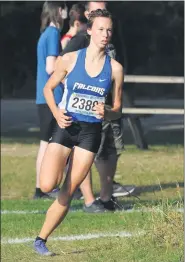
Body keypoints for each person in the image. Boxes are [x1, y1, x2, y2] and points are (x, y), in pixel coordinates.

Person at [33, 9, 124, 256]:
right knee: (46, 183)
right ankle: (59, 167)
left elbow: (117, 109)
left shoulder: (115, 68)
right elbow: (48, 89)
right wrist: (56, 113)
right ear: (90, 31)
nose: (105, 34)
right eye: (101, 29)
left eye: (109, 30)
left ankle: (41, 240)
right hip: (66, 126)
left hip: (89, 134)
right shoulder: (70, 59)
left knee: (68, 191)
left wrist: (106, 111)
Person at [61, 1, 135, 213]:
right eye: (96, 9)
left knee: (110, 152)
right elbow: (61, 66)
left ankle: (105, 197)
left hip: (109, 108)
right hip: (83, 114)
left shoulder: (109, 37)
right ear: (87, 15)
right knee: (83, 154)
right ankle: (89, 200)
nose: (105, 32)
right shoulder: (79, 41)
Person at [33, 1, 68, 199]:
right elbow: (50, 67)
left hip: (42, 97)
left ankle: (41, 188)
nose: (66, 12)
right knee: (49, 144)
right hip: (51, 97)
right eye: (63, 8)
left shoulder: (45, 33)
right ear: (57, 10)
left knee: (45, 142)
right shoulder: (53, 33)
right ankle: (44, 188)